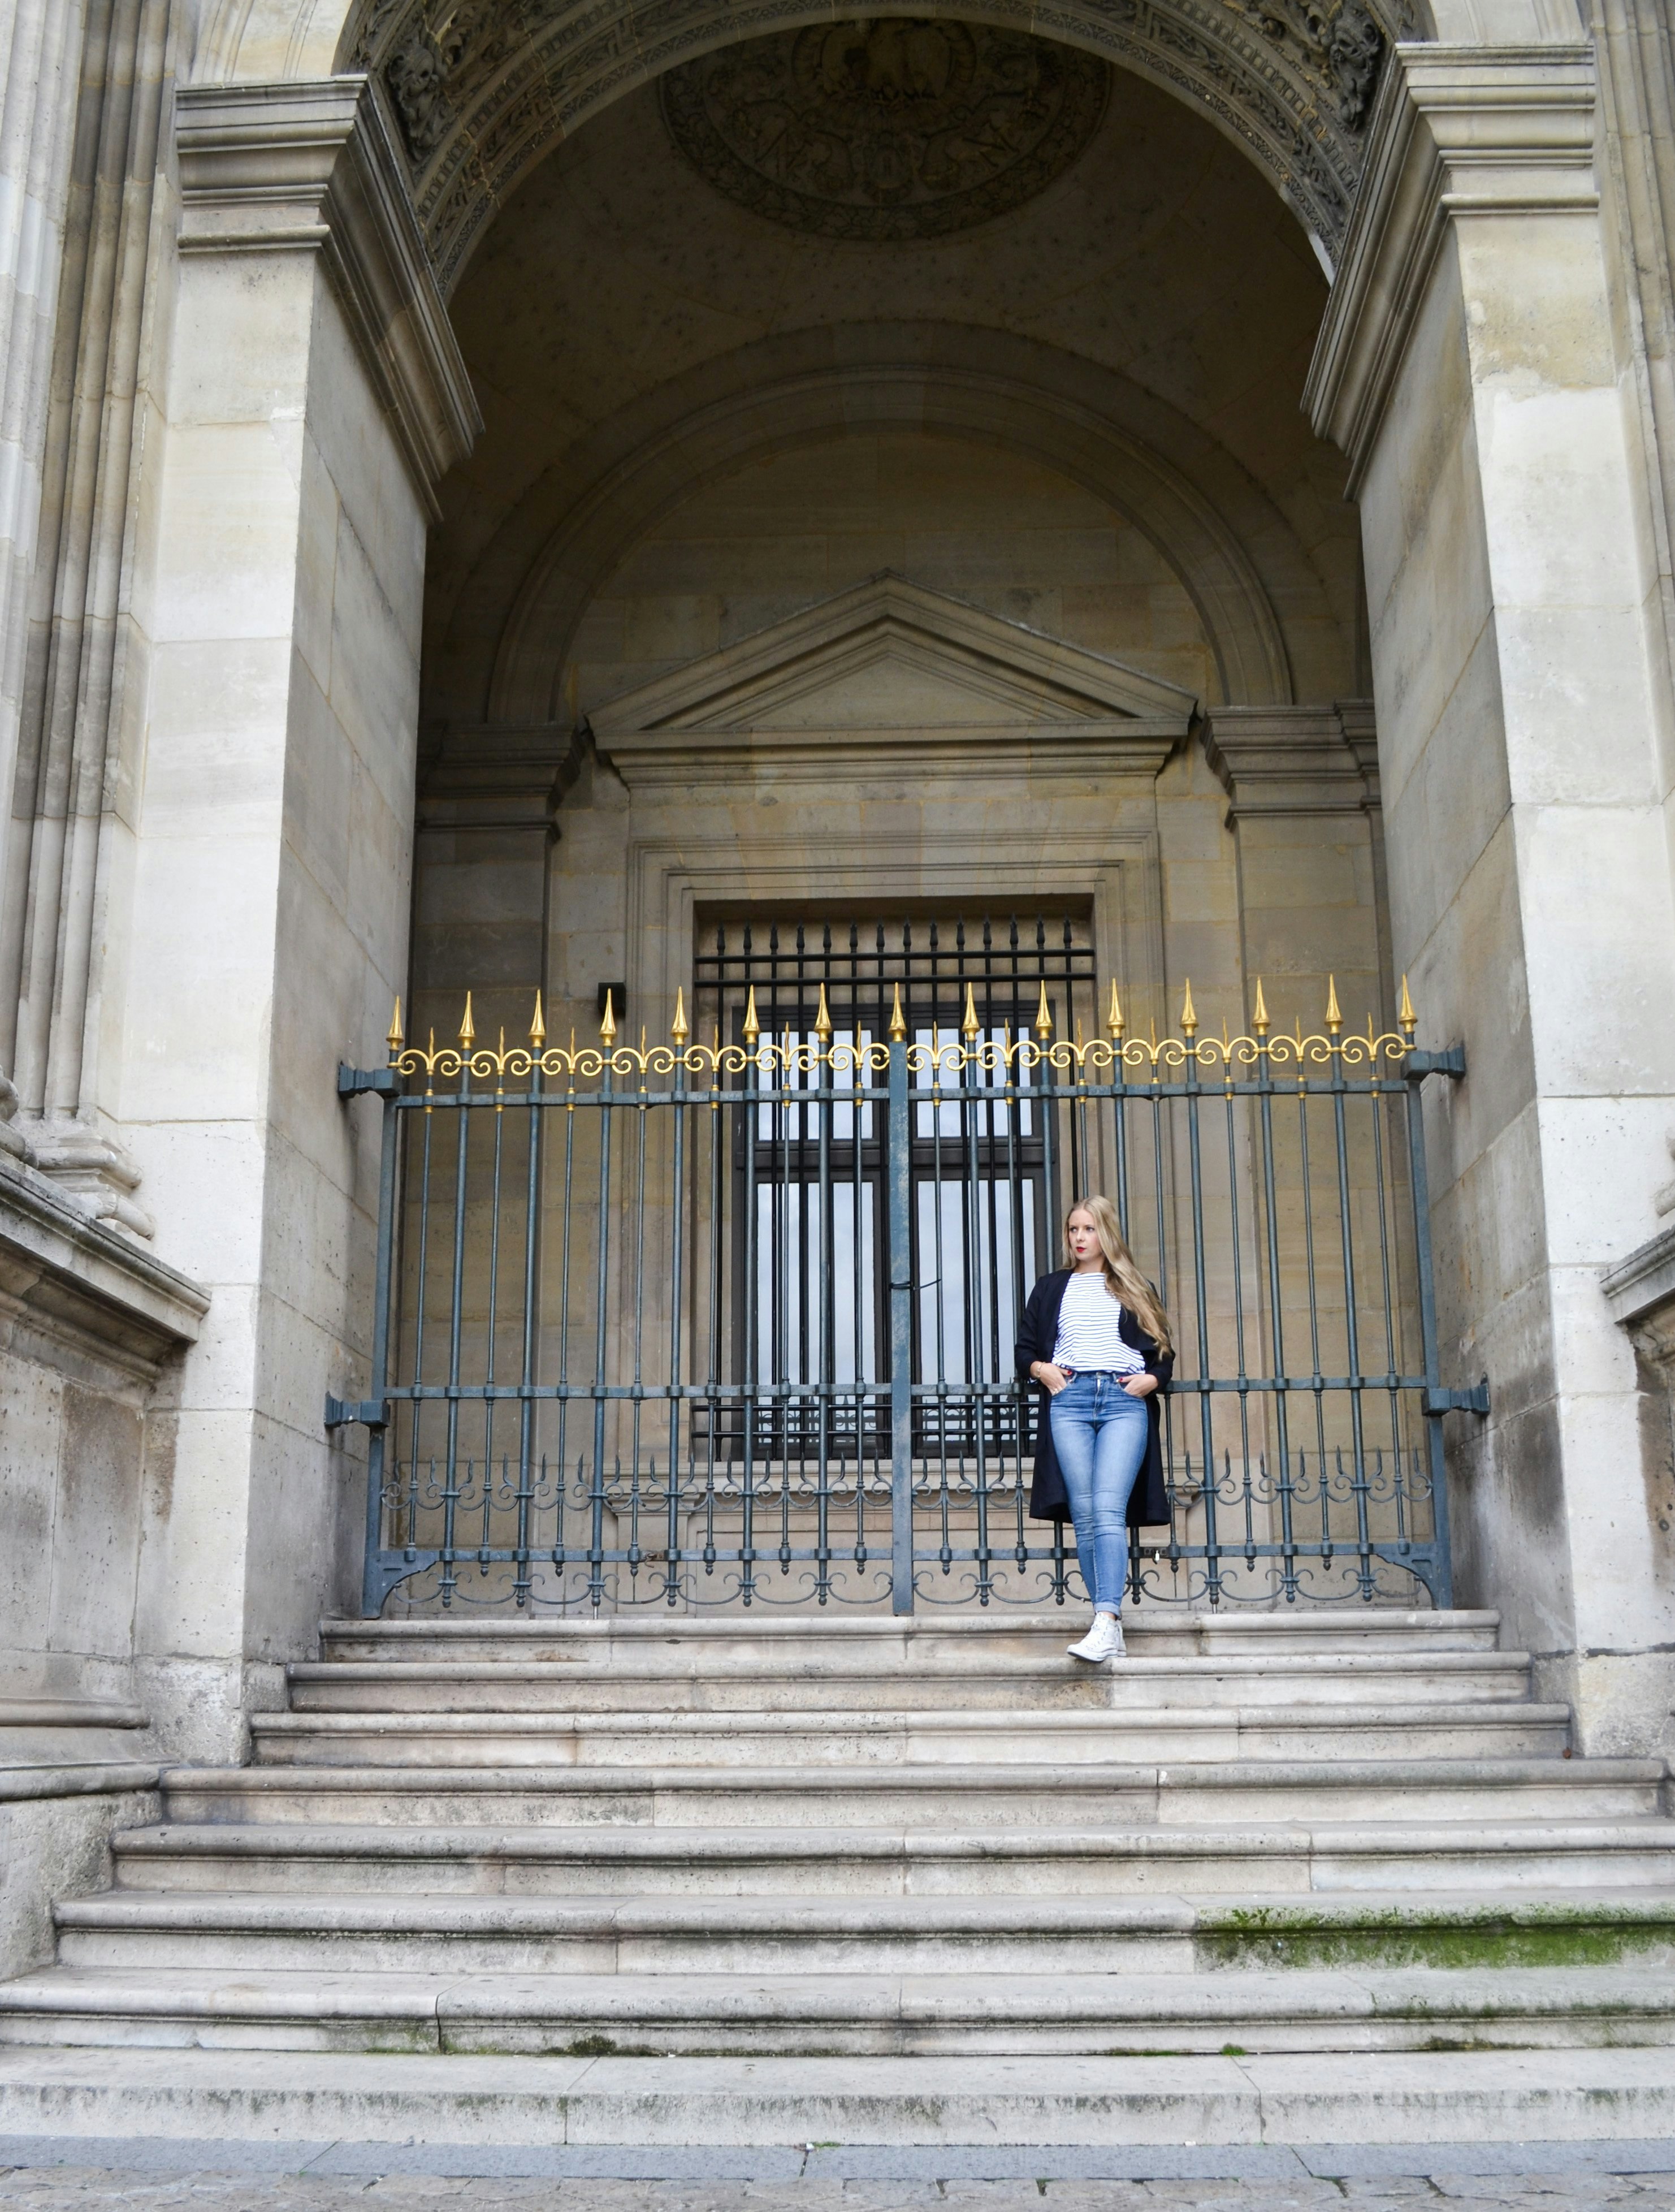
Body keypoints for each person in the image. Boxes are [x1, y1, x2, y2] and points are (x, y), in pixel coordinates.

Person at [1014, 1196, 1175, 1662]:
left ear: (1106, 1233)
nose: (1079, 1238)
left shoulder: (1134, 1286)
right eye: (1072, 1230)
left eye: (1087, 1229)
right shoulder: (1050, 1288)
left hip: (1123, 1402)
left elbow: (1162, 1352)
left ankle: (1104, 1619)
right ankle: (1109, 1628)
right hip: (1070, 1400)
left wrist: (1153, 1379)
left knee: (1106, 1510)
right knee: (1085, 1517)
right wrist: (1042, 1370)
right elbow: (1025, 1350)